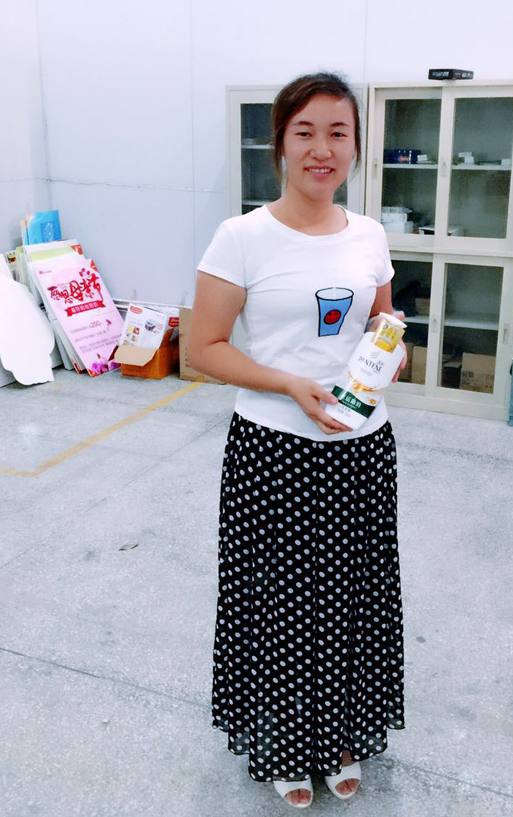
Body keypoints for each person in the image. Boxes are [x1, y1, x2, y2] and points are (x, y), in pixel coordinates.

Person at [188, 72, 405, 809]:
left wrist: (391, 355)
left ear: (355, 145)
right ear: (279, 142)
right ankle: (285, 742)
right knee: (279, 601)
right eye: (305, 131)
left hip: (362, 447)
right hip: (274, 451)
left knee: (352, 597)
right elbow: (204, 347)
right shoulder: (242, 237)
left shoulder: (369, 235)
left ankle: (341, 735)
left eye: (338, 133)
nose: (322, 149)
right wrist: (289, 384)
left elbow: (381, 324)